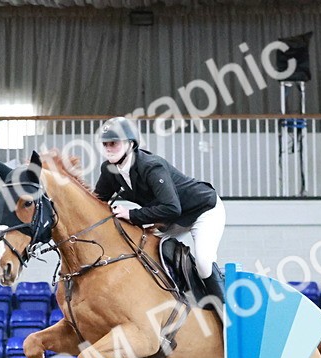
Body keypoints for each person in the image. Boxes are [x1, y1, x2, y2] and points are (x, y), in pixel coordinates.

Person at [92, 116, 227, 309]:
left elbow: (172, 207)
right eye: (105, 144)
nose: (108, 148)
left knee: (204, 261)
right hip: (169, 219)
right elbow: (98, 200)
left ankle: (226, 314)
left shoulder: (151, 166)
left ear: (130, 144)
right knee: (143, 249)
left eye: (114, 143)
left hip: (203, 211)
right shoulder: (109, 170)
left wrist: (131, 215)